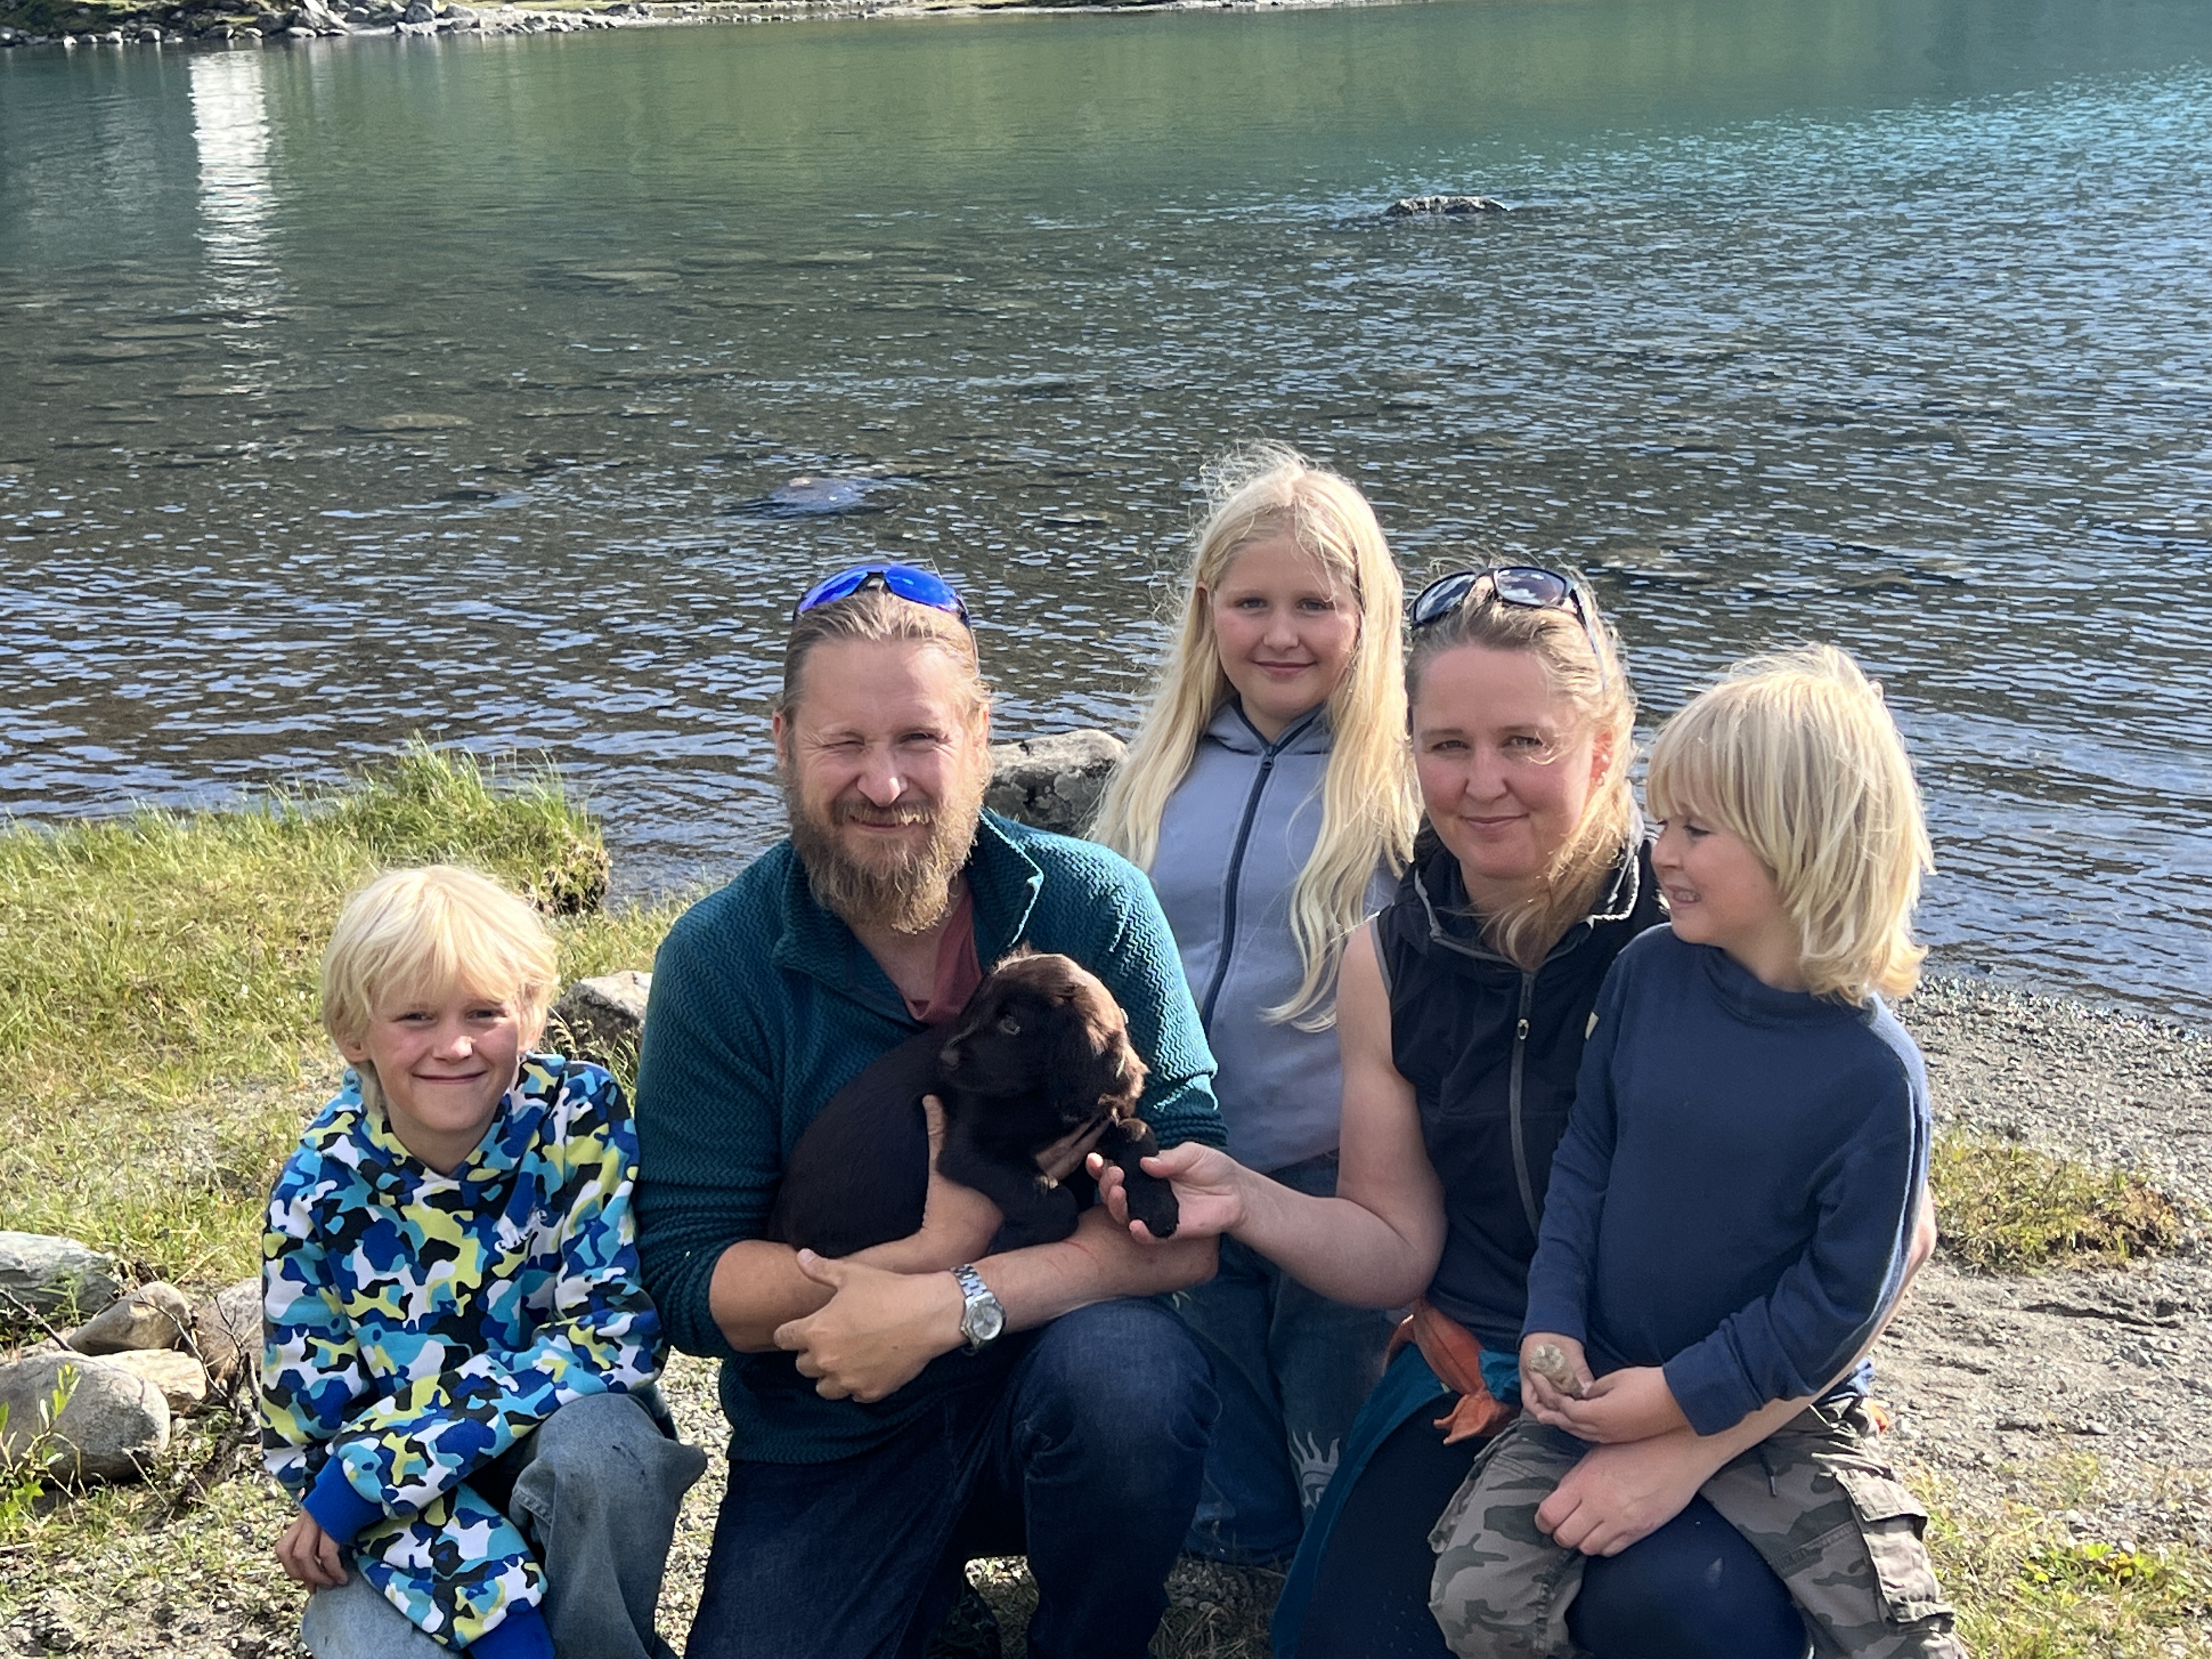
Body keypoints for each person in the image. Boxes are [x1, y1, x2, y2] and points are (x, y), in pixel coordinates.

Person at [1096, 570, 1940, 1659]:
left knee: (1682, 1611)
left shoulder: (1707, 918)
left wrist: (1683, 1446)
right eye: (1448, 745)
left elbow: (1897, 1242)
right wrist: (1244, 1198)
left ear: (1605, 747)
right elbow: (1396, 1246)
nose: (1483, 783)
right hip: (1487, 1362)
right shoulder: (1389, 957)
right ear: (1408, 751)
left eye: (1525, 743)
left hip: (1716, 1386)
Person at [631, 564, 1226, 1659]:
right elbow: (687, 1277)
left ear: (981, 736)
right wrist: (909, 1273)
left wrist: (954, 1298)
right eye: (844, 744)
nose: (885, 783)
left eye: (919, 739)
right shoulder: (719, 958)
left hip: (1054, 1376)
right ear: (783, 743)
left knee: (1133, 1381)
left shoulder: (1097, 904)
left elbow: (1193, 1209)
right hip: (832, 1427)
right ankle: (927, 1604)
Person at [1429, 644, 1962, 1658]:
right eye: (1661, 819)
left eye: (1696, 829)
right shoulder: (1648, 976)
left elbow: (1838, 1301)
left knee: (1899, 1637)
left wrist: (1681, 1402)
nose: (1659, 851)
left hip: (1782, 1420)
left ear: (1806, 844)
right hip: (1601, 1379)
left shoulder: (1873, 1075)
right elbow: (1586, 1162)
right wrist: (1553, 1321)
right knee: (1475, 1598)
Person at [1090, 445, 1418, 1565]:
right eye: (1252, 604)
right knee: (1226, 1453)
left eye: (1316, 605)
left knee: (1336, 1445)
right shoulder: (1159, 771)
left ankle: (1339, 1562)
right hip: (1181, 1156)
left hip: (1337, 1177)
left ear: (1368, 616)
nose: (1282, 634)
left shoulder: (1400, 788)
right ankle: (1235, 1549)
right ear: (1206, 609)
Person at [262, 864, 704, 1659]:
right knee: (366, 1642)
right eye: (416, 1016)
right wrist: (502, 1616)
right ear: (354, 1033)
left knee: (610, 1449)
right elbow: (317, 1440)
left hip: (543, 1439)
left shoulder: (580, 1117)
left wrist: (378, 1467)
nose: (455, 1045)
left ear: (529, 1017)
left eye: (485, 1012)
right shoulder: (314, 1193)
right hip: (401, 1516)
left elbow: (613, 1340)